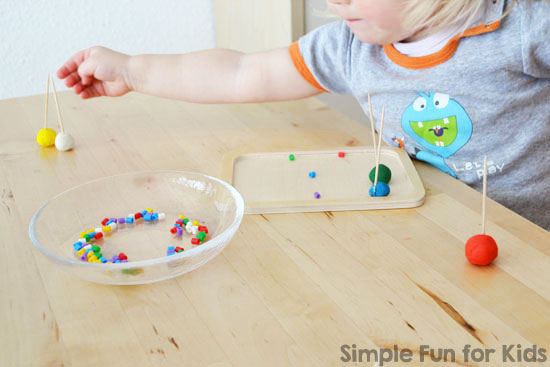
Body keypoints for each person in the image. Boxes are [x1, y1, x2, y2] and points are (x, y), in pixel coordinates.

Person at [57, 0, 550, 230]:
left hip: (528, 246)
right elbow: (239, 73)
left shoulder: (522, 26)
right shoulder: (349, 46)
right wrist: (131, 70)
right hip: (419, 227)